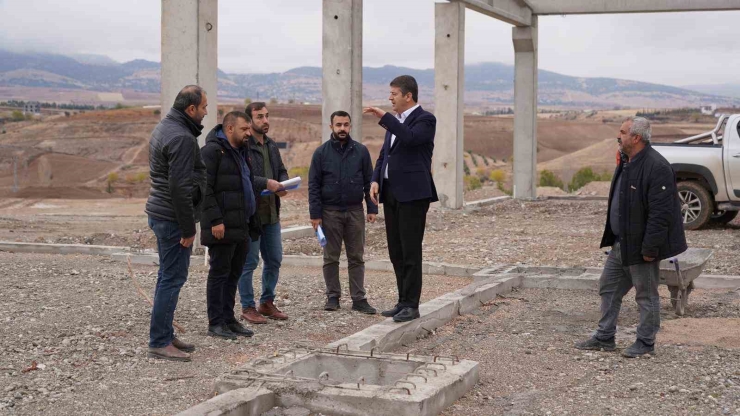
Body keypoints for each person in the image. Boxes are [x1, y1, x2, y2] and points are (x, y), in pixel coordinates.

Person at [576, 117, 687, 358]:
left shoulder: (656, 166)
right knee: (608, 287)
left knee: (646, 294)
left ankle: (646, 342)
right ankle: (605, 337)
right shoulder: (627, 161)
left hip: (641, 247)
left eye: (623, 132)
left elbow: (661, 214)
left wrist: (650, 249)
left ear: (636, 137)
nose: (619, 136)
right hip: (622, 243)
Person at [363, 75, 438, 323]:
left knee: (410, 251)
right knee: (396, 251)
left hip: (414, 195)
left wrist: (384, 118)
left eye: (394, 93)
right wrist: (375, 179)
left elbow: (410, 138)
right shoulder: (395, 122)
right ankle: (402, 301)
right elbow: (384, 155)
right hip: (392, 193)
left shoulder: (425, 120)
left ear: (408, 96)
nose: (390, 97)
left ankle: (411, 305)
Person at [144, 85, 208, 362]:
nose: (206, 112)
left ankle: (165, 334)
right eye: (204, 107)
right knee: (172, 278)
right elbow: (179, 187)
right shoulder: (181, 137)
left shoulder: (166, 127)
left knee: (166, 277)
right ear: (191, 109)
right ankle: (159, 341)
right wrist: (187, 228)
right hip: (172, 218)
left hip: (163, 213)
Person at [308, 111, 378, 314]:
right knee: (331, 257)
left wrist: (372, 208)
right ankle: (333, 296)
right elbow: (314, 185)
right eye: (338, 125)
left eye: (346, 125)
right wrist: (315, 214)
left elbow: (368, 182)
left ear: (350, 126)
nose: (342, 129)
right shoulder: (321, 153)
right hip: (330, 213)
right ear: (331, 126)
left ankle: (359, 299)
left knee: (356, 256)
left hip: (355, 212)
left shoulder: (361, 151)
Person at [200, 111, 258, 339]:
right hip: (221, 226)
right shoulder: (212, 152)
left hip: (240, 224)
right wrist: (215, 219)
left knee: (234, 273)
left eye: (249, 129)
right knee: (219, 274)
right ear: (230, 128)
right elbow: (205, 188)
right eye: (244, 129)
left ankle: (228, 318)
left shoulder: (242, 152)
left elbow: (246, 186)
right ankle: (215, 323)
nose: (249, 133)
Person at [238, 102, 290, 324]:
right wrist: (266, 182)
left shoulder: (271, 145)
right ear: (249, 121)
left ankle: (266, 302)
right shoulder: (243, 146)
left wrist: (285, 183)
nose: (265, 121)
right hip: (252, 215)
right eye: (259, 117)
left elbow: (280, 170)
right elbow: (244, 177)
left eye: (267, 116)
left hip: (272, 214)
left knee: (274, 259)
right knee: (249, 262)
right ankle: (247, 306)